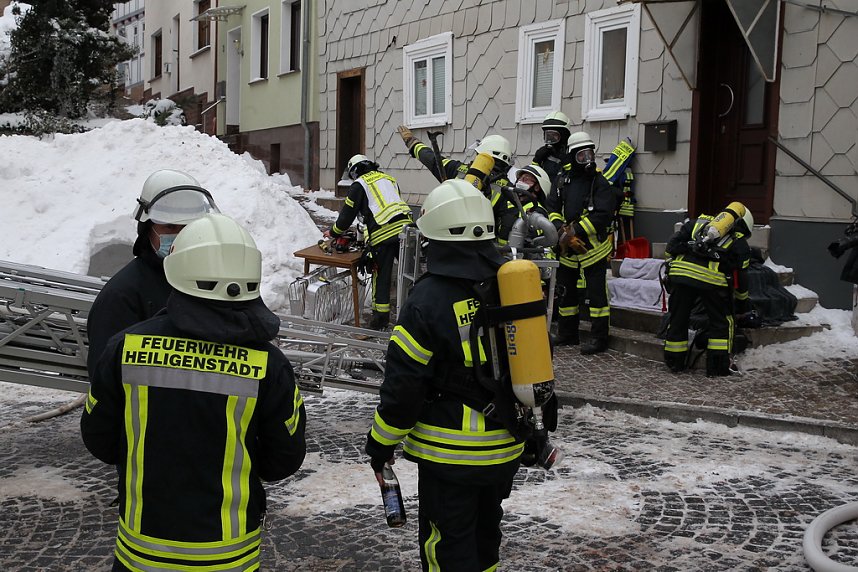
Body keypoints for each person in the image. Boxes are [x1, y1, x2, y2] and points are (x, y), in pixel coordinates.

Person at [81, 213, 307, 571]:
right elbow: (283, 459)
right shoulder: (269, 365)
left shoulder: (124, 348)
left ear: (176, 271)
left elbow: (99, 438)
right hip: (229, 555)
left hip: (142, 551)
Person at [366, 179, 525, 572]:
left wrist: (380, 444)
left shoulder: (428, 300)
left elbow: (404, 387)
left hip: (450, 456)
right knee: (485, 540)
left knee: (447, 550)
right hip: (505, 446)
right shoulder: (511, 284)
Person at [86, 169, 218, 375]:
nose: (181, 236)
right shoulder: (122, 296)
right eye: (170, 227)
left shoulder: (215, 281)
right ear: (147, 228)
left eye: (189, 227)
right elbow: (105, 381)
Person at [547, 132, 623, 354]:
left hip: (593, 250)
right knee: (566, 293)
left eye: (589, 154)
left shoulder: (599, 182)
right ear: (572, 157)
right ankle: (567, 333)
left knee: (597, 296)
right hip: (567, 251)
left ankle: (600, 338)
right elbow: (551, 207)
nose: (588, 159)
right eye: (581, 156)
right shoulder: (563, 179)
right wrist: (561, 227)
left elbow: (603, 215)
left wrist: (576, 231)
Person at [663, 202, 753, 376]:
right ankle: (717, 367)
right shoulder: (739, 241)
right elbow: (742, 279)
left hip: (681, 277)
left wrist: (672, 266)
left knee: (678, 318)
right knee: (721, 322)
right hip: (712, 283)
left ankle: (675, 362)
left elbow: (671, 247)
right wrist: (742, 303)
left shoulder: (697, 223)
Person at [326, 154, 413, 330]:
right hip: (407, 229)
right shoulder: (389, 179)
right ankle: (413, 312)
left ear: (355, 171)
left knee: (381, 276)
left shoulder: (360, 185)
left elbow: (346, 216)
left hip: (383, 233)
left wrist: (334, 232)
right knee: (408, 273)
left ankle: (380, 319)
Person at [397, 125, 520, 242]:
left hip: (445, 237)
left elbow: (431, 158)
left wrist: (412, 142)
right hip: (480, 245)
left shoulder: (459, 170)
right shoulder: (508, 190)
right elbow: (507, 225)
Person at [531, 110, 572, 188]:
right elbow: (534, 176)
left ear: (564, 135)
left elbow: (576, 178)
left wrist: (566, 161)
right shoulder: (543, 153)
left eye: (554, 135)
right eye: (548, 135)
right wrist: (536, 161)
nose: (551, 138)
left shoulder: (572, 152)